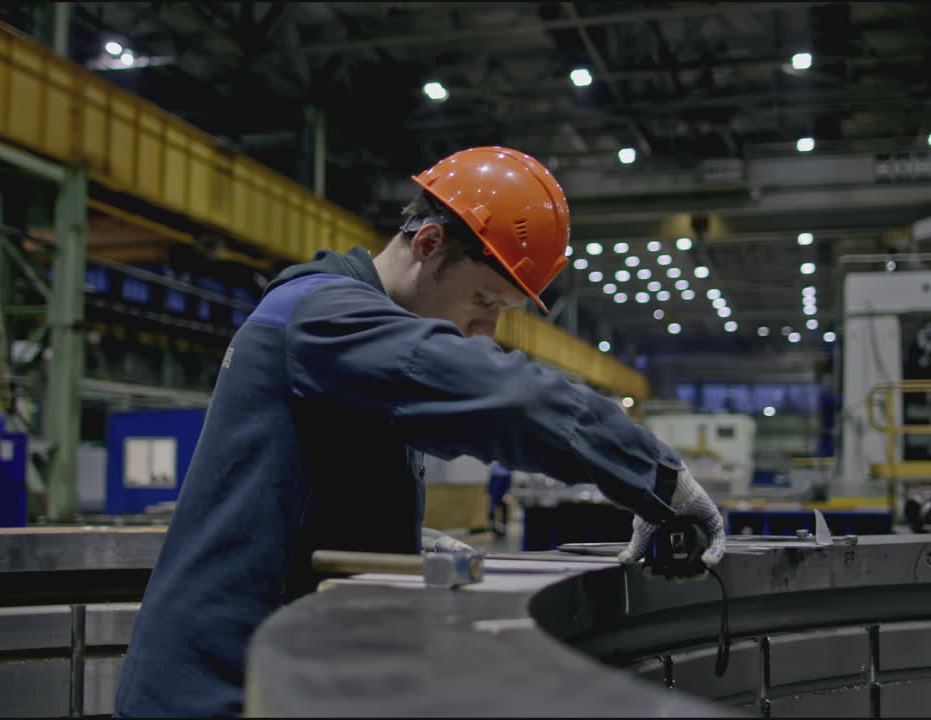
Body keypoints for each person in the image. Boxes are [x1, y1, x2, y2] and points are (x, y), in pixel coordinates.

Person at [113, 146, 726, 717]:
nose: (484, 330)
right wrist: (657, 477)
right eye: (483, 301)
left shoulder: (340, 334)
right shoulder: (326, 319)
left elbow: (299, 483)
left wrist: (397, 539)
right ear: (429, 243)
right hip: (217, 693)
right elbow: (508, 399)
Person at [486, 460, 512, 538]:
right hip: (494, 493)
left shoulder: (507, 468)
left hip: (503, 493)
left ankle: (503, 529)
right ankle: (494, 528)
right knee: (492, 510)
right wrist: (488, 493)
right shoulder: (495, 467)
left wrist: (507, 493)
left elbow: (508, 483)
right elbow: (491, 481)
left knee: (503, 510)